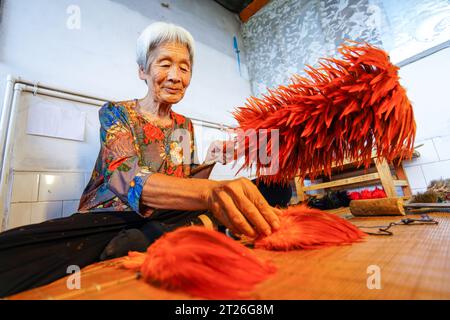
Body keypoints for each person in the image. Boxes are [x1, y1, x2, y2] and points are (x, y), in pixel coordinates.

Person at [0, 22, 281, 297]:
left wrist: (211, 159)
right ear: (142, 71)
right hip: (108, 217)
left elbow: (186, 187)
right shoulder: (116, 113)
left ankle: (155, 233)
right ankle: (158, 234)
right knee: (21, 253)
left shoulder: (185, 125)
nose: (175, 76)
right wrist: (212, 192)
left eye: (184, 68)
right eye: (164, 64)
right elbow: (124, 178)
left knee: (228, 206)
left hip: (164, 215)